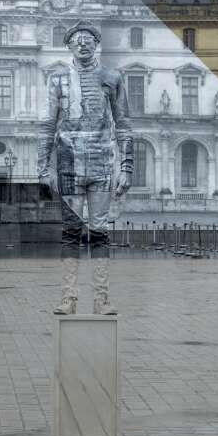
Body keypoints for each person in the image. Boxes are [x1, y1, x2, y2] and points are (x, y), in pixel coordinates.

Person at [37, 20, 133, 315]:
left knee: (100, 231)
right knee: (71, 231)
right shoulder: (58, 80)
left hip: (102, 163)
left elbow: (124, 125)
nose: (82, 43)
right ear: (69, 46)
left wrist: (126, 167)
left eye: (87, 39)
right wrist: (44, 168)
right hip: (68, 164)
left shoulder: (112, 78)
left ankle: (101, 299)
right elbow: (48, 126)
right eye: (76, 39)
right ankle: (69, 297)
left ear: (96, 44)